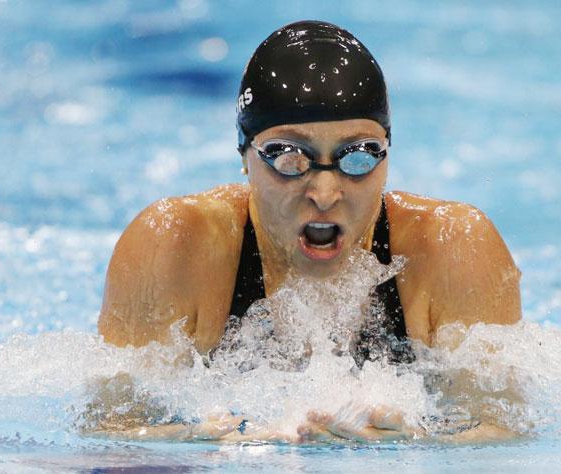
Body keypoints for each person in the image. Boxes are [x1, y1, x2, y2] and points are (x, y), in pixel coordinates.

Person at [95, 20, 521, 443]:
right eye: (289, 157)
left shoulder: (453, 246)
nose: (324, 192)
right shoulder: (175, 245)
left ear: (387, 154)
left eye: (357, 157)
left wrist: (415, 446)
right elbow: (108, 435)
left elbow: (504, 438)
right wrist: (201, 448)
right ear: (246, 155)